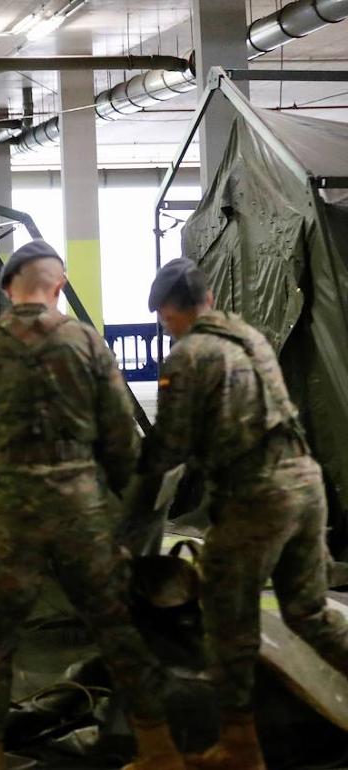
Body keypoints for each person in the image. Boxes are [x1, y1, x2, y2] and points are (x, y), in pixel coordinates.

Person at [0, 240, 180, 770]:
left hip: (8, 504)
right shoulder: (87, 344)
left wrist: (4, 474)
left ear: (9, 289)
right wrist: (118, 490)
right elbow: (120, 437)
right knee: (115, 625)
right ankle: (159, 750)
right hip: (80, 506)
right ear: (57, 286)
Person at [136, 258, 348, 770]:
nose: (166, 327)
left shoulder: (189, 355)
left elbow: (170, 449)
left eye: (164, 319)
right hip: (304, 484)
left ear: (170, 310)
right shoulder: (248, 337)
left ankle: (240, 745)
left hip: (259, 496)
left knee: (225, 617)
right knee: (308, 612)